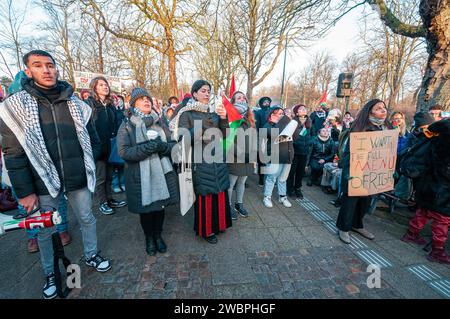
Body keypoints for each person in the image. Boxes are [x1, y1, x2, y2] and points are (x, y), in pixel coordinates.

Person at [0, 50, 111, 299]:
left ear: (57, 69)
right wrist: (25, 192)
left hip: (77, 175)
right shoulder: (15, 107)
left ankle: (92, 254)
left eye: (50, 65)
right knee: (44, 229)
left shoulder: (75, 103)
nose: (46, 70)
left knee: (87, 218)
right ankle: (51, 273)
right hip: (41, 180)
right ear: (28, 71)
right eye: (38, 66)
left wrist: (89, 162)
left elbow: (91, 138)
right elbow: (13, 153)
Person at [117, 88, 179, 256]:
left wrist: (162, 146)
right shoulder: (127, 124)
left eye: (148, 99)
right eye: (141, 99)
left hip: (162, 172)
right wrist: (148, 148)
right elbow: (123, 152)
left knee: (160, 207)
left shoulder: (160, 121)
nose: (146, 101)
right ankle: (149, 238)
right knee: (146, 210)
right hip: (139, 174)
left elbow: (174, 146)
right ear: (133, 104)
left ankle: (158, 236)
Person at [170, 80, 232, 244]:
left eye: (208, 91)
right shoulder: (186, 113)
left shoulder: (213, 112)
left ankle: (220, 224)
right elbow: (183, 138)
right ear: (195, 93)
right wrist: (200, 128)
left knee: (219, 190)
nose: (206, 94)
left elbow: (225, 134)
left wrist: (224, 118)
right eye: (203, 91)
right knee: (206, 194)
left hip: (217, 157)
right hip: (200, 159)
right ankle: (207, 230)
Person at [336, 99, 391, 244]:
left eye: (384, 107)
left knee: (365, 200)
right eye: (379, 108)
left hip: (372, 171)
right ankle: (343, 227)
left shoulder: (385, 128)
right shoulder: (360, 127)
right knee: (351, 200)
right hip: (356, 169)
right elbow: (350, 152)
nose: (383, 110)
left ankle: (357, 225)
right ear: (370, 111)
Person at [401, 118, 450, 264]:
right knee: (442, 220)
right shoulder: (446, 144)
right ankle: (437, 250)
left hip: (427, 184)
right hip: (443, 189)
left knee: (423, 212)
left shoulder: (436, 137)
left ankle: (411, 234)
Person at [85, 77, 126, 215]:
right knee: (100, 177)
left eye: (106, 84)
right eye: (101, 85)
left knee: (109, 175)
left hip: (110, 145)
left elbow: (117, 122)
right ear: (94, 88)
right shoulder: (89, 104)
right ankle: (102, 202)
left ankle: (110, 199)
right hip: (97, 147)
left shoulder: (110, 105)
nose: (105, 87)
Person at [227, 91, 256, 219]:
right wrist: (240, 154)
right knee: (231, 183)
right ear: (232, 102)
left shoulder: (249, 118)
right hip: (234, 156)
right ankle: (227, 206)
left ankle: (239, 204)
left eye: (244, 97)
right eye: (238, 98)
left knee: (242, 181)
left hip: (248, 157)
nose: (242, 99)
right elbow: (227, 140)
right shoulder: (230, 117)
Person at [262, 106, 299, 208]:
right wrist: (285, 121)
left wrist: (293, 124)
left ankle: (282, 196)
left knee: (283, 178)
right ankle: (267, 197)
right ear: (271, 116)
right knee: (271, 178)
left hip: (287, 155)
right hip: (274, 156)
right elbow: (276, 135)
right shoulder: (267, 126)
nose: (282, 116)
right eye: (279, 114)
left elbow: (296, 137)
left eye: (283, 114)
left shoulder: (286, 124)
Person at [287, 104, 312, 199]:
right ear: (297, 112)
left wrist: (310, 141)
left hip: (304, 152)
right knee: (292, 172)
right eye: (301, 109)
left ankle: (298, 188)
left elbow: (313, 134)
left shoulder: (309, 122)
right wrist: (296, 142)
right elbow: (290, 135)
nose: (304, 110)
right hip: (295, 151)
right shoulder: (293, 122)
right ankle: (290, 189)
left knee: (300, 172)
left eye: (305, 109)